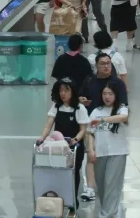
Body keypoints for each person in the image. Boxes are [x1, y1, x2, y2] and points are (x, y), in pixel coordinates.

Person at [37, 78, 88, 210]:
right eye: (60, 90)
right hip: (58, 147)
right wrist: (42, 138)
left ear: (73, 92)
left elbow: (83, 129)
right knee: (58, 172)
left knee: (73, 173)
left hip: (74, 147)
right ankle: (57, 200)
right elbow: (48, 125)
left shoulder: (79, 108)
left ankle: (72, 201)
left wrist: (75, 140)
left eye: (66, 90)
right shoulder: (56, 107)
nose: (63, 93)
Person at [86, 82, 130, 218]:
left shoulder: (122, 109)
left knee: (111, 184)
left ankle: (105, 214)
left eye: (110, 94)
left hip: (117, 152)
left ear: (116, 95)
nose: (107, 97)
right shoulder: (96, 111)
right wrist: (91, 150)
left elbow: (123, 118)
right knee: (102, 187)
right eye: (104, 94)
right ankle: (112, 211)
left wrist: (103, 120)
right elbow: (90, 132)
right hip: (100, 153)